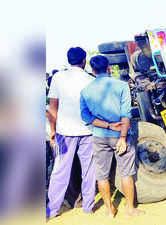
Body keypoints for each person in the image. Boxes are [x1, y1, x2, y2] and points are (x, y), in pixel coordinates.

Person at [80, 55, 145, 217]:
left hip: (99, 137)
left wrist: (107, 125)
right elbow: (126, 114)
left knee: (101, 175)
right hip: (120, 135)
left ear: (92, 70)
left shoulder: (85, 91)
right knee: (126, 173)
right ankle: (129, 208)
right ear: (108, 67)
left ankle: (110, 210)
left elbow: (86, 117)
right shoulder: (121, 86)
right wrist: (122, 138)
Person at [46, 47, 97, 218]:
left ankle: (52, 210)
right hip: (87, 131)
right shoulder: (90, 79)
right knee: (89, 170)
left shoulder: (58, 78)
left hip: (64, 132)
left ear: (69, 60)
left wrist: (52, 131)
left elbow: (53, 107)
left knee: (60, 170)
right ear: (84, 61)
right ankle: (88, 207)